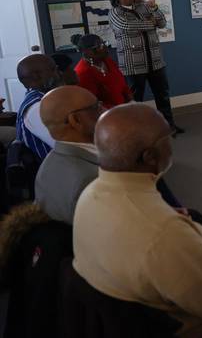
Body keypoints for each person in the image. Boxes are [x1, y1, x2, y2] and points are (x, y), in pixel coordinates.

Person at [72, 104, 202, 337]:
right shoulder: (163, 233)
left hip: (133, 301)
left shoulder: (90, 193)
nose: (172, 143)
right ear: (150, 156)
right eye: (168, 137)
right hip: (196, 325)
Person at [108, 0, 183, 134]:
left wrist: (154, 7)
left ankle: (169, 126)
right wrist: (151, 23)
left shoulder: (144, 7)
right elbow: (126, 26)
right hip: (133, 65)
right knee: (134, 101)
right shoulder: (114, 13)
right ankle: (135, 132)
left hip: (155, 62)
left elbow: (162, 23)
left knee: (163, 96)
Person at [35, 85, 104, 224]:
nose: (105, 110)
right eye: (96, 107)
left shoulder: (49, 163)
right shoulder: (92, 179)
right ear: (75, 121)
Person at [15, 54, 62, 160]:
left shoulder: (45, 99)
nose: (59, 73)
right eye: (54, 69)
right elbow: (67, 146)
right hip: (56, 172)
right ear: (37, 76)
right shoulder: (37, 108)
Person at [73, 34, 132, 108]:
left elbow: (122, 85)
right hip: (105, 115)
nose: (105, 47)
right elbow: (92, 105)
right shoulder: (83, 73)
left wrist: (130, 100)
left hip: (123, 108)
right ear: (88, 52)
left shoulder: (107, 61)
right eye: (100, 46)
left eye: (104, 43)